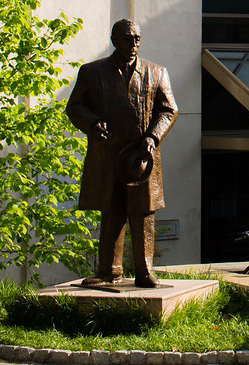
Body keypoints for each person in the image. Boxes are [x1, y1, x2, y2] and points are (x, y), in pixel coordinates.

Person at [66, 18, 178, 289]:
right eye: (128, 38)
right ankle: (109, 270)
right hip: (108, 156)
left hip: (142, 157)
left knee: (143, 214)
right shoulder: (92, 72)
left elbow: (168, 110)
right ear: (115, 40)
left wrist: (153, 136)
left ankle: (145, 272)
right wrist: (92, 122)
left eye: (137, 38)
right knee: (111, 210)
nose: (134, 43)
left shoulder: (156, 72)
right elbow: (75, 106)